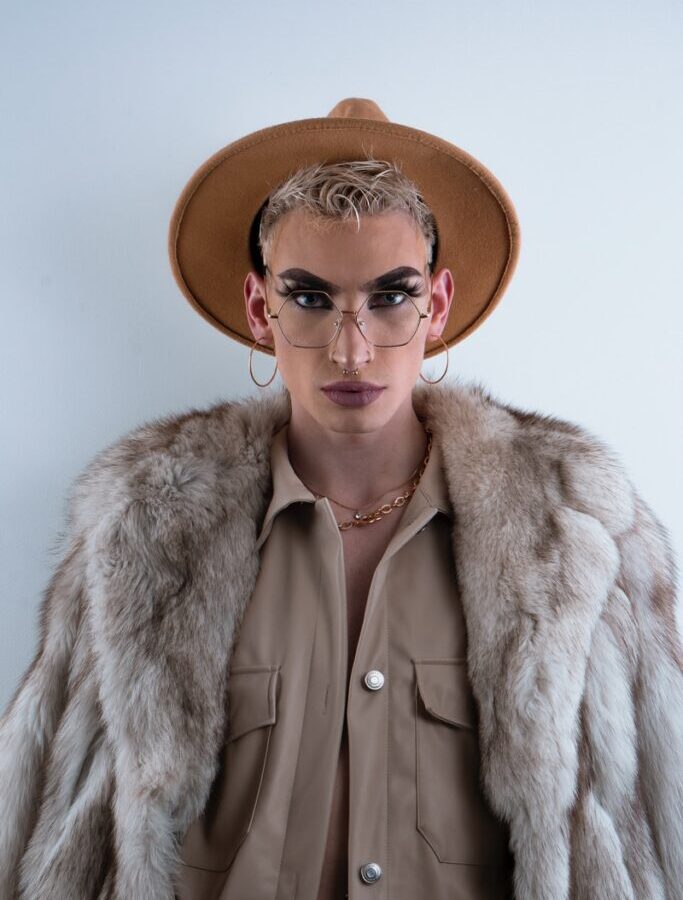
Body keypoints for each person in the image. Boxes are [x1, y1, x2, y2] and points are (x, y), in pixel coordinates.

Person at [0, 98, 680, 900]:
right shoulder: (142, 532)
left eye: (390, 298)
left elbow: (642, 840)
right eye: (312, 299)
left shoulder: (570, 533)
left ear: (439, 305)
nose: (351, 348)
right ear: (262, 310)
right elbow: (56, 838)